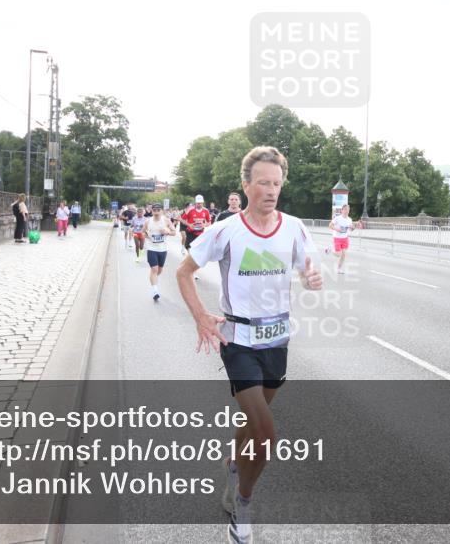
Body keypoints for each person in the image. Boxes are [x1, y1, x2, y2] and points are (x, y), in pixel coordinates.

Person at [176, 146, 322, 544]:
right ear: (246, 185)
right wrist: (202, 317)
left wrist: (311, 278)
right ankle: (242, 505)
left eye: (276, 183)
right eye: (263, 182)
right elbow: (184, 272)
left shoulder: (294, 227)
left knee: (255, 422)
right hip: (238, 339)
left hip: (277, 339)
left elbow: (308, 268)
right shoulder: (225, 229)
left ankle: (235, 465)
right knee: (265, 434)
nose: (271, 190)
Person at [144, 203, 176, 301]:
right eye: (154, 210)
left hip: (162, 249)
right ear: (152, 211)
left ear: (161, 211)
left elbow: (174, 232)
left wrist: (167, 232)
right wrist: (147, 236)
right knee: (154, 269)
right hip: (151, 248)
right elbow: (142, 232)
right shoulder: (148, 221)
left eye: (158, 210)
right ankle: (155, 291)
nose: (156, 212)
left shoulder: (166, 220)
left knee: (159, 270)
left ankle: (153, 279)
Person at [326, 203, 355, 274]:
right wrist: (336, 229)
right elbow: (330, 225)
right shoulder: (337, 218)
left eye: (348, 210)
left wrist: (353, 228)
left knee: (344, 254)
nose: (346, 211)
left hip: (345, 238)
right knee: (338, 254)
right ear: (342, 210)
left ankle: (339, 269)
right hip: (337, 238)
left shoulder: (349, 219)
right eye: (345, 209)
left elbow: (351, 229)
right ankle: (331, 249)